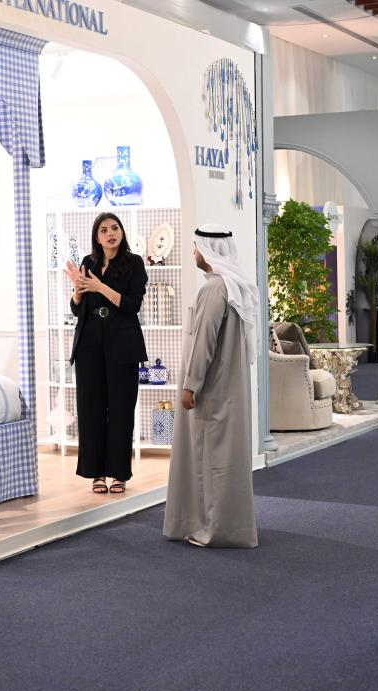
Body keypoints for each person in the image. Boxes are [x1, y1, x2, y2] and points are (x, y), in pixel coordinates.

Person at [163, 224, 260, 548]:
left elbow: (203, 341)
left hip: (212, 389)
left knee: (210, 460)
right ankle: (230, 527)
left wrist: (191, 385)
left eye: (195, 246)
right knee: (226, 460)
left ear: (207, 249)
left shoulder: (215, 288)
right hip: (229, 387)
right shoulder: (233, 286)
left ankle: (213, 529)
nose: (193, 252)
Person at [65, 213, 147, 494]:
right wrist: (78, 290)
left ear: (121, 232)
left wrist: (100, 286)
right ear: (97, 237)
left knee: (121, 408)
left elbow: (132, 306)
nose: (110, 233)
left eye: (114, 228)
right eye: (103, 230)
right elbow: (77, 308)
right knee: (91, 409)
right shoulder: (88, 263)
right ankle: (96, 473)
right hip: (89, 342)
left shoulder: (134, 263)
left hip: (122, 343)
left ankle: (119, 473)